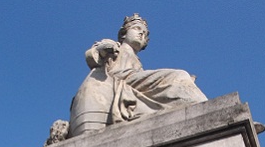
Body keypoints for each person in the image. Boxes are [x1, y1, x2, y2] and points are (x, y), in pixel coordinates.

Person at [69, 14, 207, 136]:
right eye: (136, 29)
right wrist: (103, 49)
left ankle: (196, 106)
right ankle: (204, 109)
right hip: (121, 80)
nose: (141, 34)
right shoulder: (115, 46)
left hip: (135, 85)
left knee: (180, 79)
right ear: (124, 33)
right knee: (179, 75)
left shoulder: (138, 62)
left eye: (145, 33)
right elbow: (92, 56)